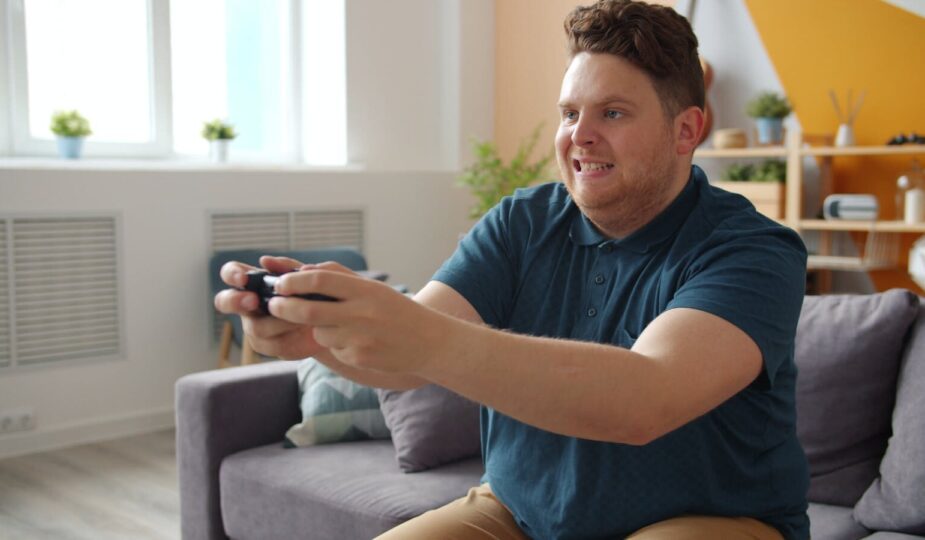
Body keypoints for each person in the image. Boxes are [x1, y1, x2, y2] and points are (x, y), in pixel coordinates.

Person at [214, 0, 810, 538]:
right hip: (520, 512)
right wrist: (314, 336)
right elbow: (402, 363)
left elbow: (642, 401)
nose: (581, 135)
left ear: (686, 131)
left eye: (614, 113)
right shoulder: (521, 222)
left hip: (709, 519)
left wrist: (422, 337)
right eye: (570, 112)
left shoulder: (753, 250)